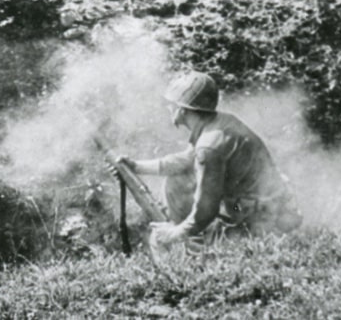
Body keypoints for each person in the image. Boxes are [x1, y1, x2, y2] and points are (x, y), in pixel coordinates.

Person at [117, 72, 302, 249]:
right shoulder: (217, 124)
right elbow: (184, 161)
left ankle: (183, 270)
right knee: (177, 180)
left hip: (263, 218)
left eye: (171, 104)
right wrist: (134, 167)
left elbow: (206, 210)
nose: (168, 107)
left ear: (182, 110)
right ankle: (191, 243)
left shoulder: (209, 146)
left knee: (159, 241)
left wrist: (174, 234)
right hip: (258, 206)